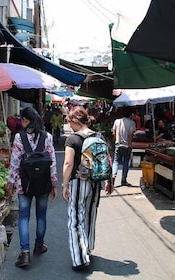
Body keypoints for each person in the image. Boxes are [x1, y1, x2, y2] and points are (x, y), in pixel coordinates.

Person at [6, 107, 58, 268]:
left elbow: (15, 162)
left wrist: (10, 184)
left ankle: (25, 253)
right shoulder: (47, 137)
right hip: (43, 183)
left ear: (26, 120)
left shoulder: (19, 138)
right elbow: (52, 162)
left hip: (24, 184)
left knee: (23, 217)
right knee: (41, 215)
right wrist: (54, 184)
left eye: (22, 120)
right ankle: (39, 245)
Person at [62, 106, 100, 271]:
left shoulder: (73, 139)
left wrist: (64, 184)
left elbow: (68, 163)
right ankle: (88, 249)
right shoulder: (98, 135)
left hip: (78, 183)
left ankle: (80, 258)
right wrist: (110, 182)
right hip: (96, 183)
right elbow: (107, 159)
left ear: (75, 121)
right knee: (90, 216)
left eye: (70, 122)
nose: (70, 126)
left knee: (75, 220)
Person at [111, 106, 136, 187]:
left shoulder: (117, 121)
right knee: (126, 163)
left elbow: (114, 133)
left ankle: (113, 177)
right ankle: (124, 180)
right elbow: (131, 135)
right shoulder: (132, 123)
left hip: (118, 145)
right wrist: (130, 145)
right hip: (127, 146)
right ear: (130, 114)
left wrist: (116, 141)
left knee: (116, 162)